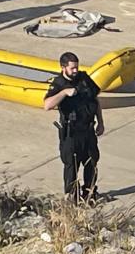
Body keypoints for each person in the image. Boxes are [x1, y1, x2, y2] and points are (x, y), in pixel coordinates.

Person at [43, 52, 105, 203]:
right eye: (72, 68)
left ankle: (89, 194)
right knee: (71, 166)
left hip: (88, 131)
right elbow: (47, 105)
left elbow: (95, 100)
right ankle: (71, 197)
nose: (75, 71)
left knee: (92, 162)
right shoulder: (58, 84)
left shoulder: (84, 78)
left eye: (77, 67)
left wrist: (101, 122)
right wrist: (64, 92)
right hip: (71, 134)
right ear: (63, 68)